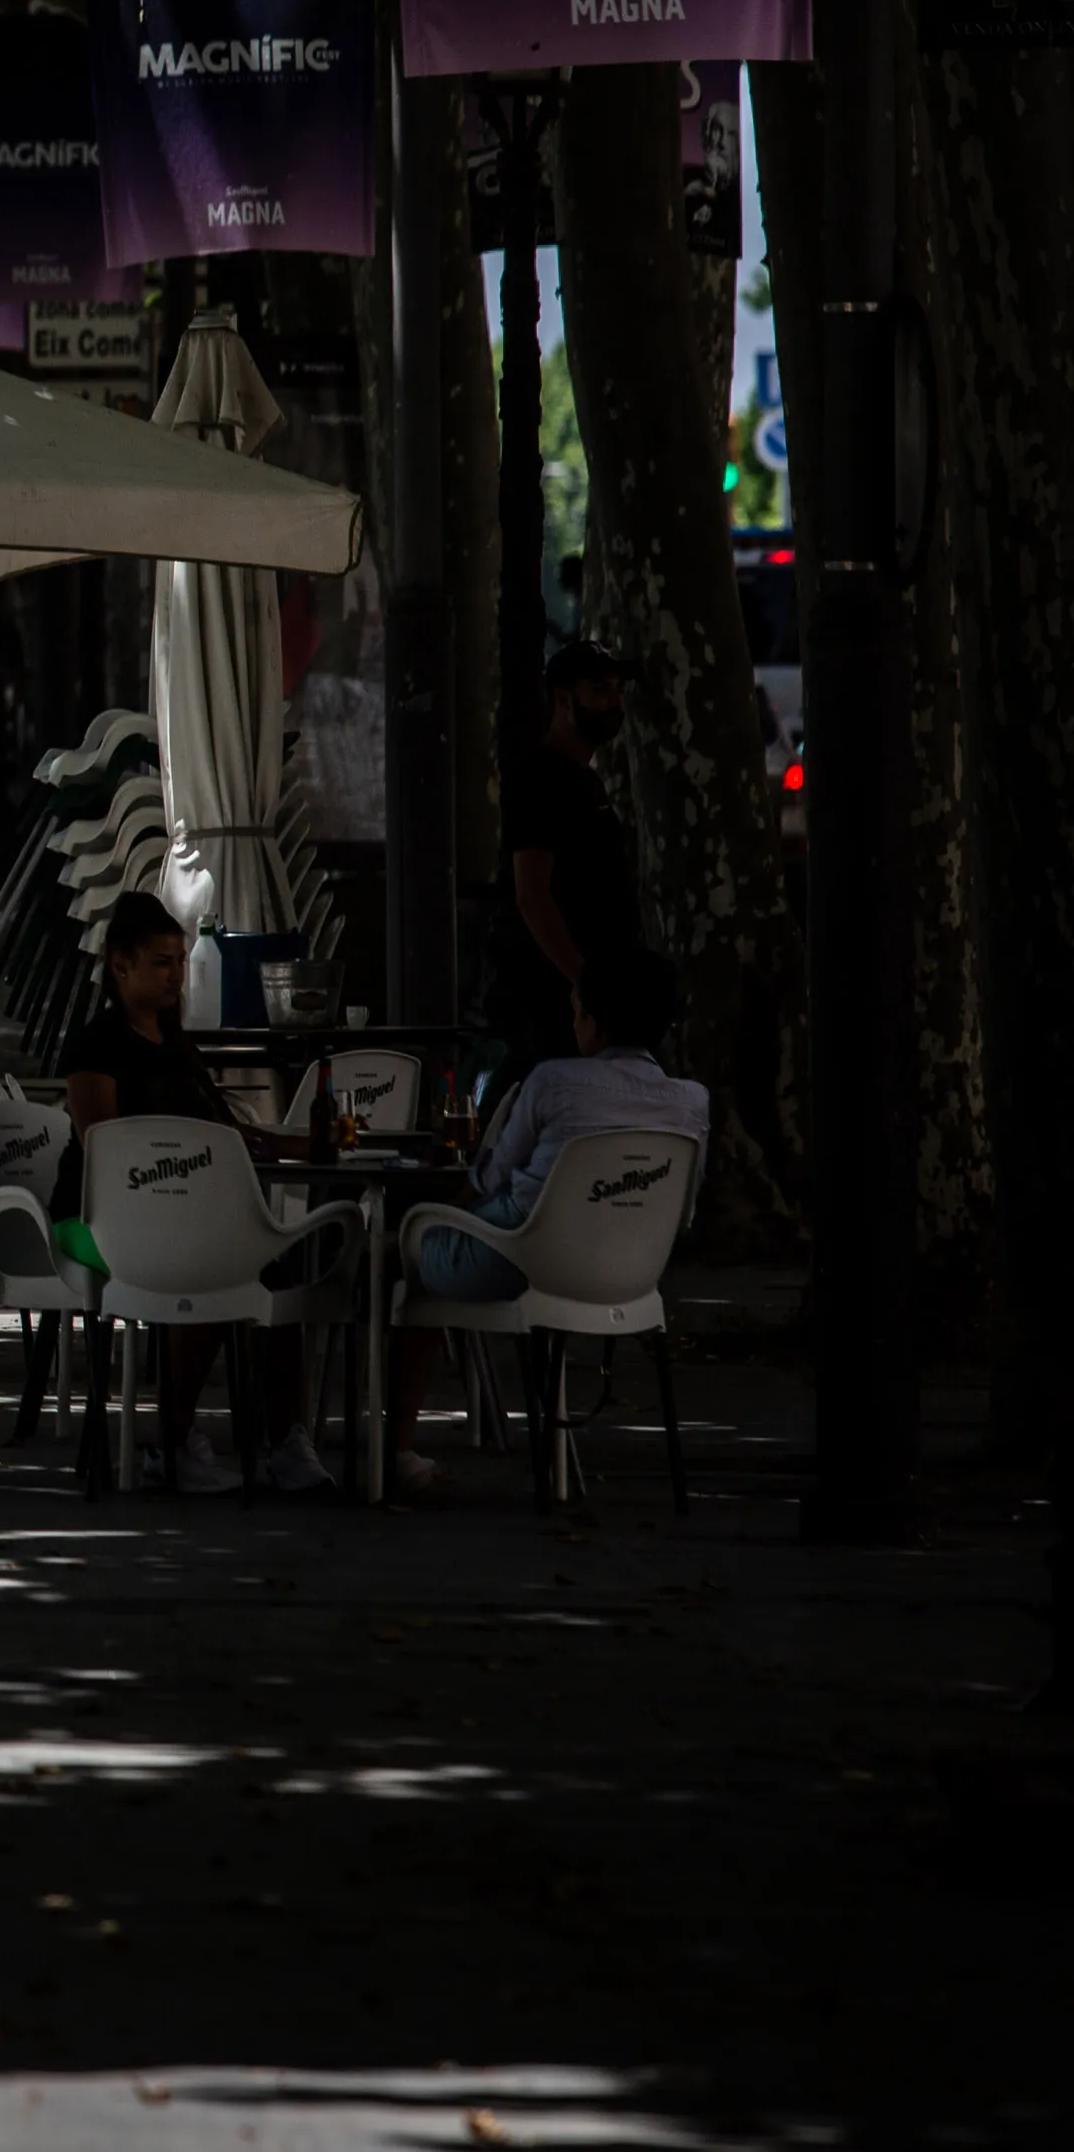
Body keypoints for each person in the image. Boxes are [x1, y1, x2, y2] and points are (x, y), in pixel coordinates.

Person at [390, 948, 709, 1505]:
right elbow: (684, 1207)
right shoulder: (692, 1102)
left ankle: (390, 1451)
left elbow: (491, 1178)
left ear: (594, 1020)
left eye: (578, 1009)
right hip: (631, 1272)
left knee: (400, 1252)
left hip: (520, 1262)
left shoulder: (553, 1081)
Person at [60, 888, 330, 1496]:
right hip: (92, 1221)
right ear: (120, 964)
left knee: (273, 1271)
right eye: (161, 963)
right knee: (212, 1267)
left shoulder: (178, 1045)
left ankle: (287, 1439)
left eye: (180, 962)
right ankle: (172, 1443)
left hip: (181, 1214)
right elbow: (100, 1143)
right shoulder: (95, 1045)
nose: (176, 976)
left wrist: (297, 1147)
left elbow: (227, 1132)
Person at [489, 636, 641, 1085]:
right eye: (599, 690)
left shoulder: (586, 781)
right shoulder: (541, 778)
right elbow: (531, 894)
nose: (613, 702)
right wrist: (582, 981)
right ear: (562, 700)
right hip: (548, 1000)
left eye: (617, 690)